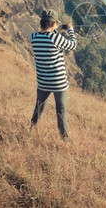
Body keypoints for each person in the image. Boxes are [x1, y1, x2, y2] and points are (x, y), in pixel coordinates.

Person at [30, 9, 77, 140]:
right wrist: (71, 30)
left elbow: (47, 35)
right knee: (61, 112)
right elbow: (72, 45)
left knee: (39, 107)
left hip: (43, 82)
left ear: (41, 22)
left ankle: (32, 129)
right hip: (59, 83)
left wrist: (57, 27)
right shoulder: (55, 37)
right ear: (53, 24)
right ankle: (64, 139)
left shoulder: (33, 37)